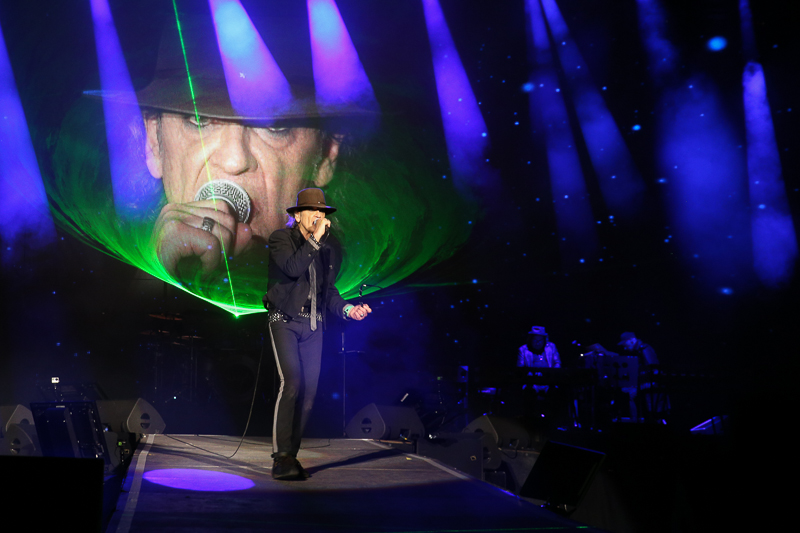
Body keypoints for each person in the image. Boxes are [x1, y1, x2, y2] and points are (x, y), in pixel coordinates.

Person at [264, 188, 371, 480]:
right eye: (313, 211)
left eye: (322, 212)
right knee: (293, 382)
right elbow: (293, 267)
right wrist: (314, 240)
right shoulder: (280, 239)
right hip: (283, 319)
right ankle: (281, 456)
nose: (319, 216)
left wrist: (349, 310)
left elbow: (329, 292)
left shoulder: (327, 248)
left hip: (314, 324)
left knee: (309, 394)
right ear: (297, 215)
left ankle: (291, 456)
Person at [617, 332, 664, 421]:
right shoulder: (639, 350)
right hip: (647, 383)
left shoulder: (645, 349)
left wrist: (637, 386)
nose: (624, 347)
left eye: (625, 344)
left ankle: (635, 421)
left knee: (630, 393)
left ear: (631, 341)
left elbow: (653, 369)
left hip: (651, 385)